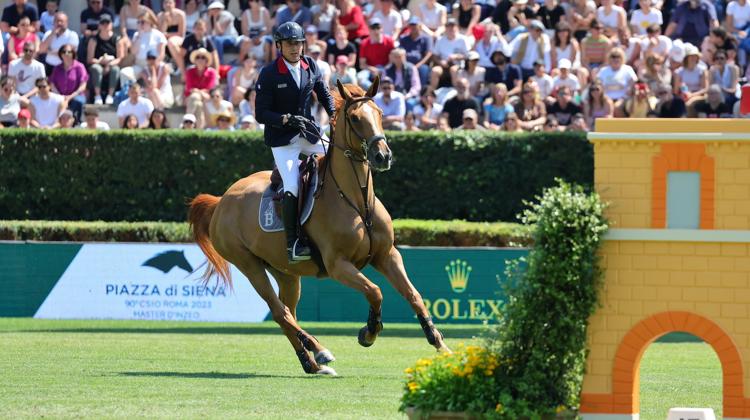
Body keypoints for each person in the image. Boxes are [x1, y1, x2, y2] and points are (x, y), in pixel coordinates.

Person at [254, 22, 336, 262]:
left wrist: (333, 113)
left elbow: (323, 93)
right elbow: (261, 114)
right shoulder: (269, 73)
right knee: (292, 185)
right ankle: (293, 243)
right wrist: (286, 119)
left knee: (343, 154)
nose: (295, 48)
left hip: (309, 133)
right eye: (290, 44)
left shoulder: (309, 65)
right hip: (283, 140)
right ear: (279, 46)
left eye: (298, 43)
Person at [86, 14, 124, 105]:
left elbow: (120, 57)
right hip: (98, 63)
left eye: (107, 22)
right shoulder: (94, 40)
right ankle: (97, 95)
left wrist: (109, 64)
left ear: (111, 24)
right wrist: (101, 61)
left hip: (112, 64)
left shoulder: (117, 39)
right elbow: (89, 59)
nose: (105, 25)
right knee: (96, 69)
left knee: (115, 70)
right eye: (103, 23)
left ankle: (110, 96)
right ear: (99, 25)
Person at [121, 10, 166, 86]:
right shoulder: (137, 35)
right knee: (124, 73)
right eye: (138, 22)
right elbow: (133, 52)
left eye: (143, 22)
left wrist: (152, 66)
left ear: (150, 22)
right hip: (139, 64)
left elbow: (161, 55)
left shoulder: (159, 35)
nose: (140, 24)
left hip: (153, 64)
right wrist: (139, 36)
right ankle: (128, 95)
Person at [50, 44, 88, 122]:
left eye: (69, 52)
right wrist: (60, 96)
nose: (66, 54)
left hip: (76, 95)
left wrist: (70, 96)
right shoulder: (57, 68)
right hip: (60, 95)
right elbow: (52, 84)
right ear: (60, 54)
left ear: (73, 53)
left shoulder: (80, 67)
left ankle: (75, 122)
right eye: (64, 52)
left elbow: (83, 86)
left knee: (77, 102)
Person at [184, 48, 219, 129]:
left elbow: (209, 89)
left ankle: (187, 122)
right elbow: (190, 88)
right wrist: (200, 92)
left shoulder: (212, 72)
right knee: (197, 102)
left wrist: (197, 91)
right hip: (192, 97)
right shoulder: (190, 71)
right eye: (198, 57)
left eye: (203, 57)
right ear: (195, 60)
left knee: (196, 98)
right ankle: (199, 130)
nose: (200, 59)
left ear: (206, 60)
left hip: (205, 97)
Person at [357, 18, 395, 89]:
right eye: (373, 28)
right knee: (360, 77)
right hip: (370, 70)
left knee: (388, 79)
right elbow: (362, 64)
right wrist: (373, 69)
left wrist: (381, 71)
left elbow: (391, 61)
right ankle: (375, 91)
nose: (376, 30)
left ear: (382, 29)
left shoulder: (389, 41)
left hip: (386, 69)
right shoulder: (364, 43)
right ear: (369, 29)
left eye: (378, 27)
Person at [159, 0, 186, 72]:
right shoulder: (160, 16)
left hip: (178, 39)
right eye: (165, 3)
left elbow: (181, 33)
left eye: (170, 2)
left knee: (171, 42)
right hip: (165, 39)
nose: (168, 5)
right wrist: (165, 21)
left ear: (174, 4)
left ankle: (181, 67)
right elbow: (160, 34)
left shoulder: (180, 14)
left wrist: (166, 35)